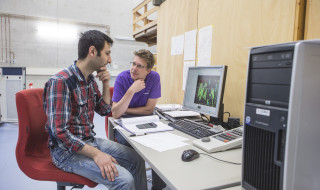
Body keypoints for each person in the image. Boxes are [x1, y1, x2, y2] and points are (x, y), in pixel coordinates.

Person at [43, 30, 147, 190]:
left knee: (136, 160)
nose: (110, 59)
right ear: (92, 51)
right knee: (124, 180)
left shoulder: (90, 80)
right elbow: (59, 133)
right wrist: (97, 154)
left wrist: (106, 83)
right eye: (107, 53)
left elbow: (105, 109)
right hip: (65, 152)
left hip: (88, 141)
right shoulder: (61, 82)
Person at [111, 49, 166, 190]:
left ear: (148, 70)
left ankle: (157, 187)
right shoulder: (122, 78)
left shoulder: (154, 78)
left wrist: (125, 108)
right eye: (133, 63)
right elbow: (116, 113)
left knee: (161, 144)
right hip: (123, 123)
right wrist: (131, 91)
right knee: (133, 150)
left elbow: (148, 109)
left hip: (146, 120)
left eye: (139, 66)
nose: (134, 68)